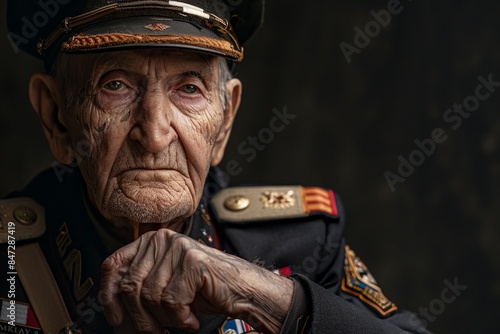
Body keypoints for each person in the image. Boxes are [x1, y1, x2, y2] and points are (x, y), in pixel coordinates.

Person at [1, 0, 431, 333]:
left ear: (224, 122)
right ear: (56, 116)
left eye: (188, 89)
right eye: (116, 85)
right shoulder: (10, 254)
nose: (154, 135)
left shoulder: (303, 246)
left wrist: (272, 298)